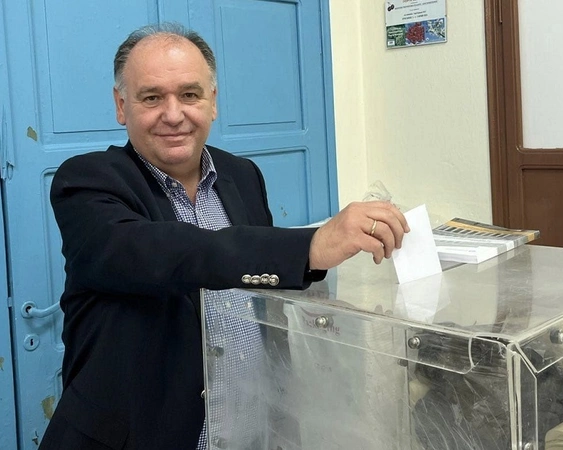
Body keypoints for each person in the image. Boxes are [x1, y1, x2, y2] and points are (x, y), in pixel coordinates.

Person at [39, 22, 409, 450]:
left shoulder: (243, 175)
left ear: (212, 102)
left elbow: (266, 300)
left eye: (189, 95)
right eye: (152, 97)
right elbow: (166, 253)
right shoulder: (86, 182)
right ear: (122, 106)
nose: (173, 114)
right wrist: (308, 245)